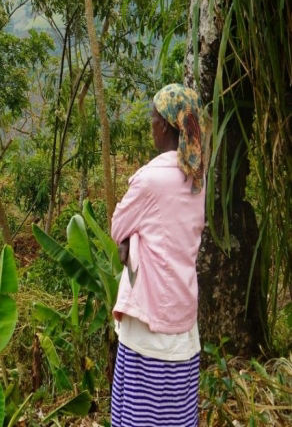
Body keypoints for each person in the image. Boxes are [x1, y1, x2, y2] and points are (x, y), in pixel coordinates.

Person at [109, 84, 208, 427]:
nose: (150, 124)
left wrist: (129, 240)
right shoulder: (197, 177)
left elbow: (118, 226)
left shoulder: (150, 180)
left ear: (164, 125)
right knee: (176, 416)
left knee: (139, 415)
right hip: (182, 323)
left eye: (153, 118)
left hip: (149, 328)